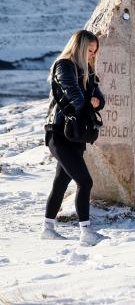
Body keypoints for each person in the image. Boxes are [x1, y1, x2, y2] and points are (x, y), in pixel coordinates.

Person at [41, 29, 106, 245]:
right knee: (85, 182)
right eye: (89, 50)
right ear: (79, 47)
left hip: (75, 135)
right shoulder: (64, 65)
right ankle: (86, 233)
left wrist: (97, 100)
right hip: (59, 133)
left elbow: (99, 96)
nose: (91, 55)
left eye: (94, 52)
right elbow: (72, 92)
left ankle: (47, 228)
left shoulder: (87, 69)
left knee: (61, 182)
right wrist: (88, 104)